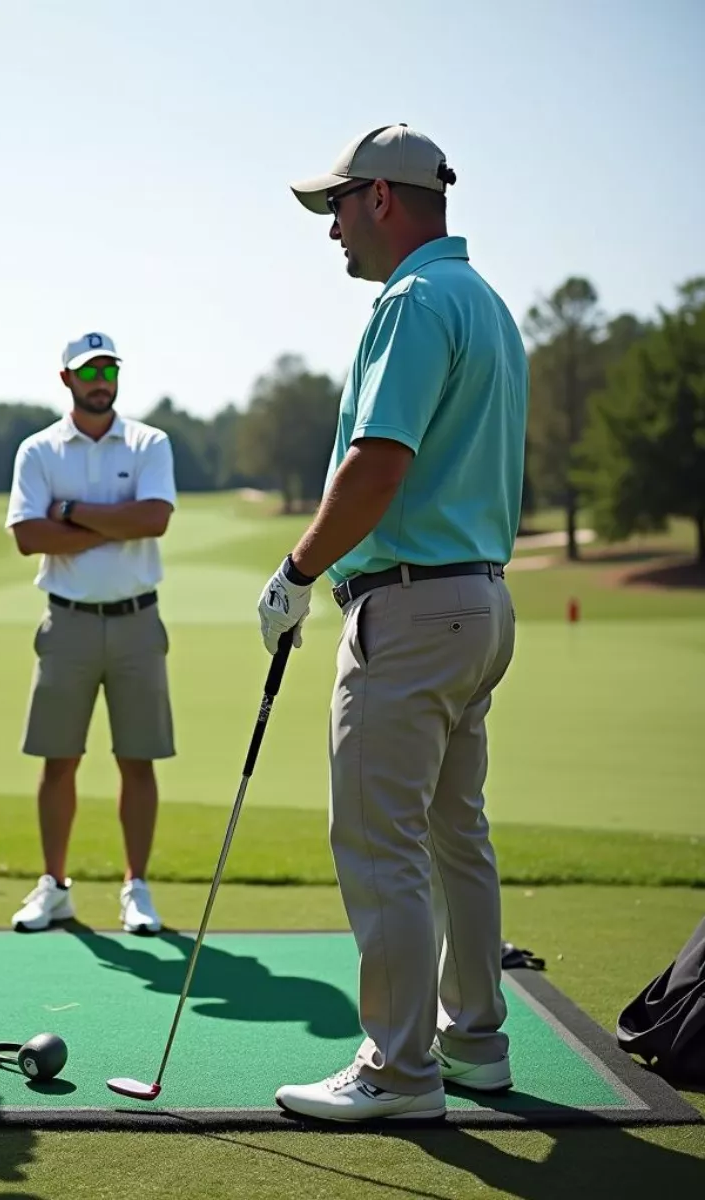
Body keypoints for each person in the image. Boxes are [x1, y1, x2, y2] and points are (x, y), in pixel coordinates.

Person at [256, 126, 528, 1122]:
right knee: (456, 833)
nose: (330, 230)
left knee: (382, 842)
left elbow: (378, 462)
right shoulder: (487, 303)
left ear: (381, 197)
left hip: (409, 607)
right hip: (479, 602)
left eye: (335, 207)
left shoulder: (411, 303)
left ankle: (400, 1072)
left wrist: (296, 570)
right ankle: (476, 1043)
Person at [5, 332, 177, 935]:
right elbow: (28, 536)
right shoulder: (39, 450)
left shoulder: (150, 442)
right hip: (68, 621)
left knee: (139, 759)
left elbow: (155, 518)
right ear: (67, 380)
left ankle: (137, 888)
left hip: (137, 621)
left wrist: (72, 513)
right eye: (89, 370)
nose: (100, 379)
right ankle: (54, 886)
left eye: (109, 368)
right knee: (59, 760)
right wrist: (118, 523)